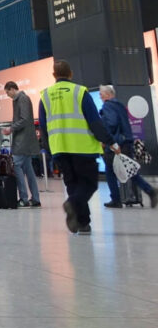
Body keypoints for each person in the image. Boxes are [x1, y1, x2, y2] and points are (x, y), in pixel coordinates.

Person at [38, 60, 117, 235]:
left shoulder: (45, 95)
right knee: (88, 184)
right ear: (71, 74)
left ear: (54, 75)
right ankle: (72, 205)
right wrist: (110, 141)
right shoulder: (80, 92)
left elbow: (43, 128)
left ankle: (83, 223)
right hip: (82, 148)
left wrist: (49, 151)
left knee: (73, 185)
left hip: (60, 148)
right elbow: (94, 120)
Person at [100, 85, 157, 209]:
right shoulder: (119, 106)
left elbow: (111, 123)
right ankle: (150, 191)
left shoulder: (108, 106)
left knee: (110, 171)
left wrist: (107, 139)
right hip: (126, 142)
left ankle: (116, 199)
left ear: (109, 95)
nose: (100, 96)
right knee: (129, 171)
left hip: (116, 144)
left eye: (102, 94)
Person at [2, 82, 41, 208]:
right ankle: (35, 198)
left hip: (23, 141)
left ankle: (24, 198)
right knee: (29, 170)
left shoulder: (22, 99)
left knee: (17, 166)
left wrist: (11, 128)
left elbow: (24, 119)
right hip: (23, 141)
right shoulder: (17, 100)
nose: (7, 95)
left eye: (7, 92)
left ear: (12, 89)